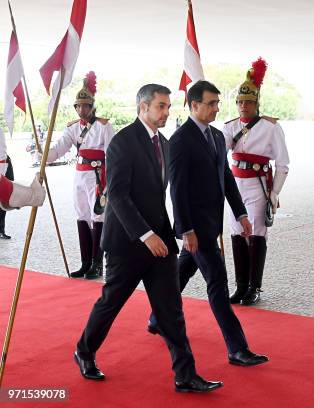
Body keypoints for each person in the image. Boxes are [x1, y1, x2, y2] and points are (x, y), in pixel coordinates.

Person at [74, 84, 222, 393]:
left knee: (171, 310)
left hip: (160, 243)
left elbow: (165, 194)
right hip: (126, 243)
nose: (167, 112)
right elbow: (118, 195)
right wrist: (145, 234)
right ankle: (84, 352)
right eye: (161, 106)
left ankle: (185, 374)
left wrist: (180, 229)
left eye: (168, 106)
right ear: (143, 108)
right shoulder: (122, 142)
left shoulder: (165, 144)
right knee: (110, 304)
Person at [148, 80, 269, 367]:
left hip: (212, 223)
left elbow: (225, 177)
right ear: (194, 105)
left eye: (217, 103)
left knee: (182, 272)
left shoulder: (216, 136)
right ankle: (237, 348)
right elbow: (176, 189)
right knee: (217, 283)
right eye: (211, 103)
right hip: (196, 228)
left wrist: (240, 213)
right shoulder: (179, 140)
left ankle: (157, 317)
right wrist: (186, 230)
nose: (217, 108)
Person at [222, 58, 290, 305]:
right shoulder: (229, 127)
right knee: (237, 233)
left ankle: (254, 287)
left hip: (259, 186)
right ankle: (240, 286)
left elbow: (283, 164)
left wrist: (274, 194)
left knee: (257, 234)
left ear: (257, 102)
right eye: (240, 102)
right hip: (235, 186)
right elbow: (221, 154)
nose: (243, 106)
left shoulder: (270, 128)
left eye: (248, 102)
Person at [41, 72, 115, 279]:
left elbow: (112, 154)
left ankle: (97, 264)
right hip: (80, 175)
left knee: (97, 216)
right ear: (75, 107)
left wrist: (108, 182)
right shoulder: (73, 128)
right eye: (78, 106)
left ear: (92, 107)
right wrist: (44, 155)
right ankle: (85, 263)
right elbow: (59, 149)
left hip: (99, 175)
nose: (82, 109)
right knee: (81, 216)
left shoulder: (103, 126)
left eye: (86, 106)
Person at [0, 128, 15, 239]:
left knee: (4, 199)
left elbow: (2, 152)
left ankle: (1, 229)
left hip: (4, 164)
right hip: (3, 165)